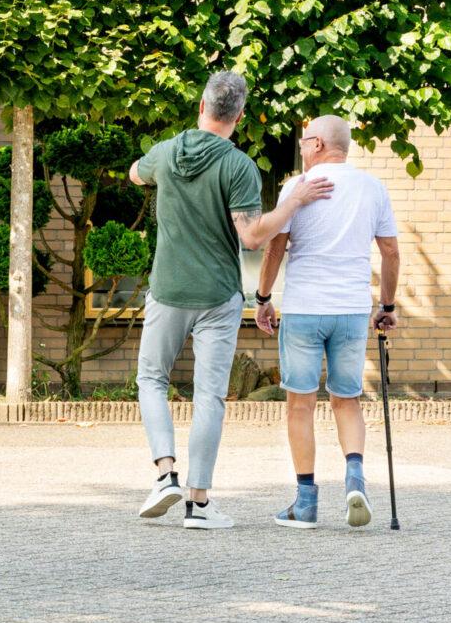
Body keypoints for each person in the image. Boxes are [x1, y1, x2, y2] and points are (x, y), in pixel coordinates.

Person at [128, 71, 333, 530]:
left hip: (167, 289)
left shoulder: (166, 151)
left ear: (202, 106)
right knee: (209, 397)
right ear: (239, 117)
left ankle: (165, 475)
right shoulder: (238, 166)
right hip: (218, 295)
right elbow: (254, 237)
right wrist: (293, 201)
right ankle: (198, 504)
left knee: (151, 378)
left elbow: (135, 174)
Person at [254, 114, 399, 529]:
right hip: (352, 309)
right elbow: (390, 252)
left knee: (300, 404)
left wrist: (263, 298)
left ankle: (306, 502)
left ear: (317, 144)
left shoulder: (296, 189)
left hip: (303, 308)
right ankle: (355, 479)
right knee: (346, 400)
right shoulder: (373, 188)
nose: (299, 149)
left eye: (302, 142)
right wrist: (386, 306)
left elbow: (274, 250)